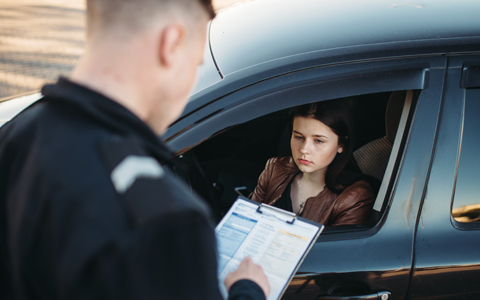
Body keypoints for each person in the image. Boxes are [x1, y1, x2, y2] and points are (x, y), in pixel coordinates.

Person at [0, 0, 269, 300]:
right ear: (172, 42)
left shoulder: (17, 133)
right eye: (196, 64)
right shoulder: (167, 223)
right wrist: (248, 292)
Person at [250, 100, 376, 226]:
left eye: (319, 141)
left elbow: (335, 246)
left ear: (341, 145)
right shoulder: (275, 169)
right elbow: (247, 221)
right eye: (299, 137)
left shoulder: (354, 198)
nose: (304, 149)